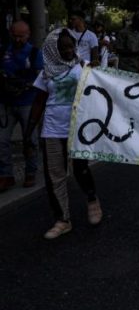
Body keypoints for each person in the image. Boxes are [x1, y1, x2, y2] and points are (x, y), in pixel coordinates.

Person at [24, 29, 102, 239]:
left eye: (71, 46)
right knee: (54, 176)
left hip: (77, 128)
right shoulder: (46, 73)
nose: (69, 51)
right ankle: (62, 219)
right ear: (52, 50)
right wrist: (28, 132)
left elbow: (101, 90)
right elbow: (39, 102)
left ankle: (92, 199)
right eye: (64, 47)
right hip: (52, 129)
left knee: (80, 168)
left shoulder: (83, 67)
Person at [0, 20, 43, 191]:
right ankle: (6, 175)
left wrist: (26, 85)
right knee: (1, 141)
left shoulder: (34, 53)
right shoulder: (4, 51)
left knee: (30, 140)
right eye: (15, 36)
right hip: (6, 103)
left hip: (28, 103)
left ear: (28, 35)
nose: (18, 39)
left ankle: (30, 172)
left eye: (21, 36)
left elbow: (42, 79)